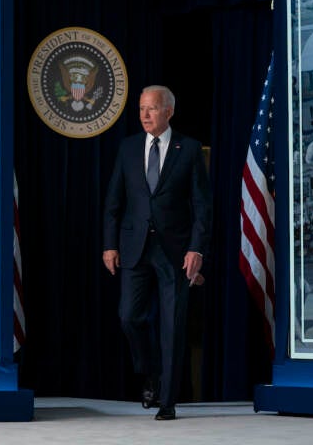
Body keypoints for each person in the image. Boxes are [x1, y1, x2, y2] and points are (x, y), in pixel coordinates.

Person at [102, 85, 212, 421]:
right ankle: (150, 370)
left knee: (172, 326)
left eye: (151, 109)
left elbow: (201, 206)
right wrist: (109, 244)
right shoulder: (128, 147)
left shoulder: (190, 149)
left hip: (175, 252)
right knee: (129, 317)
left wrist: (197, 249)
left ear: (168, 111)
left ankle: (167, 400)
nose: (145, 115)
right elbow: (114, 202)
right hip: (134, 248)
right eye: (141, 109)